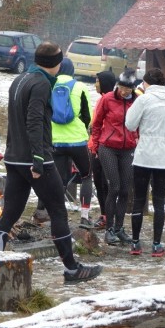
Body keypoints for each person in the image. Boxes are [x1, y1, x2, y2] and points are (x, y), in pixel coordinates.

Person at [0, 42, 102, 285]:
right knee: (58, 211)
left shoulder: (19, 79)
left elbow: (15, 120)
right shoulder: (41, 83)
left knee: (9, 214)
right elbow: (34, 121)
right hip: (35, 160)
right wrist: (39, 159)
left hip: (14, 158)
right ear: (57, 63)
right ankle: (72, 270)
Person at [125, 68, 165, 256]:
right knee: (159, 202)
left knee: (139, 199)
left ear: (147, 83)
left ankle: (136, 243)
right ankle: (157, 244)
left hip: (144, 154)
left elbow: (130, 124)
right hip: (164, 156)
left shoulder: (143, 99)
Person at [89, 68, 138, 245]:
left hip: (128, 148)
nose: (125, 91)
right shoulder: (107, 99)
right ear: (118, 85)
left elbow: (139, 122)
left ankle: (119, 227)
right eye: (123, 88)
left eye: (129, 88)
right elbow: (97, 124)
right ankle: (109, 228)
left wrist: (137, 138)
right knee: (114, 187)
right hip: (108, 146)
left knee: (125, 190)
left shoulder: (136, 100)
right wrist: (95, 146)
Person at [44, 58, 95, 227]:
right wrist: (82, 128)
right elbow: (87, 115)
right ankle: (85, 216)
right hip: (77, 141)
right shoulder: (80, 87)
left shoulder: (49, 85)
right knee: (87, 176)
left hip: (56, 141)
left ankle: (58, 217)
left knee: (60, 180)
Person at [89, 70, 116, 230]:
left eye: (98, 81)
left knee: (105, 184)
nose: (95, 84)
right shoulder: (101, 100)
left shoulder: (110, 101)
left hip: (104, 147)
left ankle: (108, 216)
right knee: (99, 183)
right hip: (95, 146)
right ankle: (104, 214)